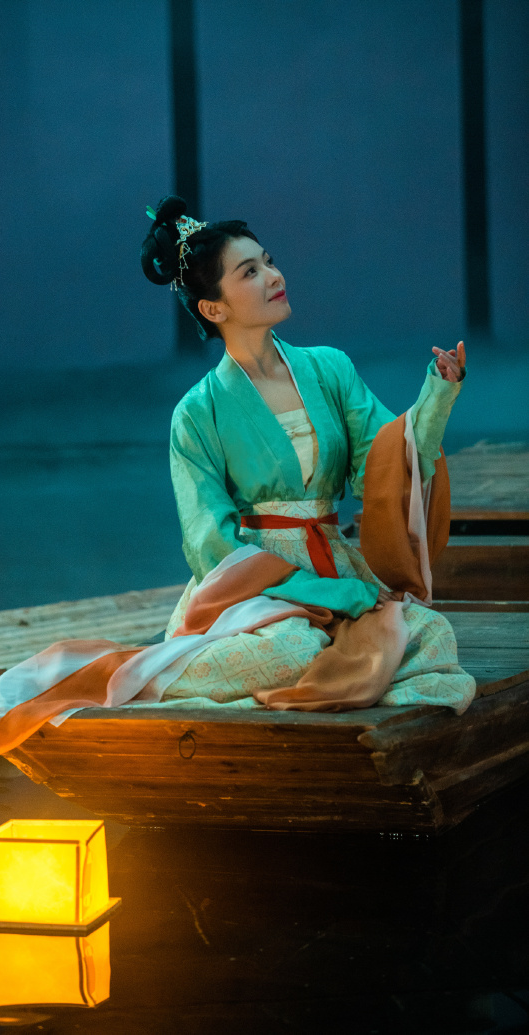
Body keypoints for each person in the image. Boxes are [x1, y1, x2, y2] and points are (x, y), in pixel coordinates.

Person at [139, 195, 475, 713]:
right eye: (250, 272)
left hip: (336, 563)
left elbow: (385, 464)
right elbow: (210, 541)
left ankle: (340, 684)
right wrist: (320, 594)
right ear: (214, 308)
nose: (274, 276)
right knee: (293, 646)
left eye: (268, 261)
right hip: (255, 588)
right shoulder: (197, 412)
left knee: (430, 632)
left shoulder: (328, 369)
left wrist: (437, 395)